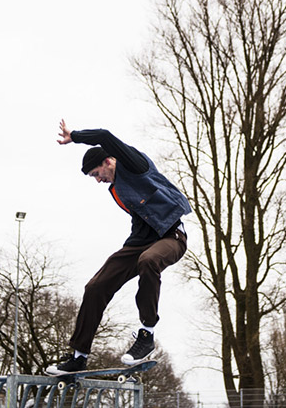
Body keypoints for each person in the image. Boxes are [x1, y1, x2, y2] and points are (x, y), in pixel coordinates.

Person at [46, 120, 191, 375]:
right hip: (141, 242)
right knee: (96, 286)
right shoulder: (118, 191)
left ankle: (146, 335)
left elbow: (104, 135)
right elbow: (140, 223)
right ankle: (79, 356)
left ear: (108, 161)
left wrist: (75, 136)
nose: (98, 180)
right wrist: (120, 261)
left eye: (96, 174)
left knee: (149, 260)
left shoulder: (134, 165)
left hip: (172, 237)